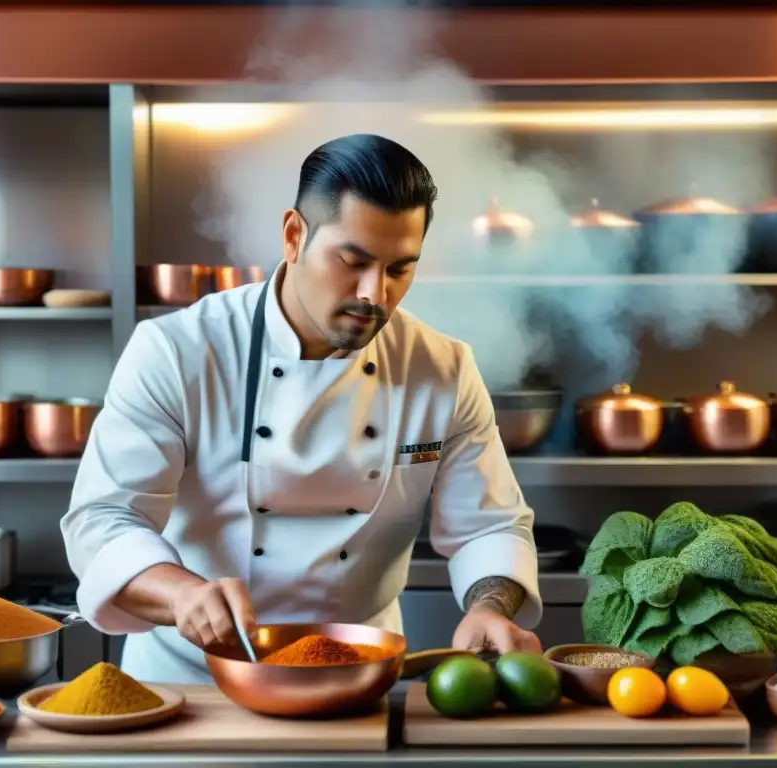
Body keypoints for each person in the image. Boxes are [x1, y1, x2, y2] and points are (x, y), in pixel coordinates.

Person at [61, 133, 543, 683]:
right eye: (353, 261)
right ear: (294, 235)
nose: (374, 294)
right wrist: (181, 595)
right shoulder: (179, 351)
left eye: (399, 270)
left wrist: (489, 608)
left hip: (358, 676)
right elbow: (103, 519)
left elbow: (489, 526)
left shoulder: (443, 368)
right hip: (193, 685)